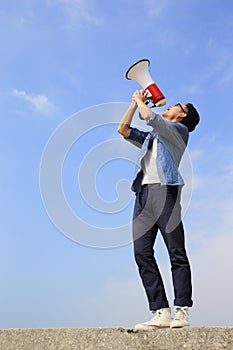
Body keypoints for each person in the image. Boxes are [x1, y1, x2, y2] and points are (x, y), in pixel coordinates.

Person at [118, 89, 200, 330]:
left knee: (176, 250)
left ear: (182, 116)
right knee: (141, 253)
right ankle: (161, 311)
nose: (170, 106)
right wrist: (134, 104)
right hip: (143, 194)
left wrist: (142, 103)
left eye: (176, 105)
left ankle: (182, 310)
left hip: (166, 191)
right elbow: (123, 130)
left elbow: (151, 117)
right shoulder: (153, 137)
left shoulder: (179, 132)